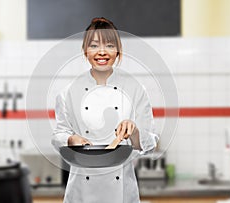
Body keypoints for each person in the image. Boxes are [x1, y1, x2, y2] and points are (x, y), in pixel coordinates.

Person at [52, 17, 159, 203]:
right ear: (85, 51)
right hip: (81, 191)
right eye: (94, 45)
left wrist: (134, 132)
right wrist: (70, 139)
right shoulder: (68, 92)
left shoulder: (135, 88)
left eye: (109, 45)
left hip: (122, 192)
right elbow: (58, 135)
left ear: (118, 51)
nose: (102, 52)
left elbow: (150, 143)